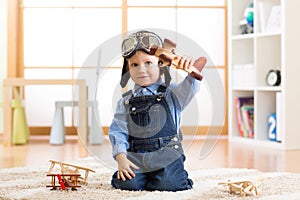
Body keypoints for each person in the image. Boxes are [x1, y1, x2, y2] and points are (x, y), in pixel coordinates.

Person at [108, 30, 206, 191]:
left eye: (148, 63)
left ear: (161, 65)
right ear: (127, 69)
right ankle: (147, 177)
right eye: (134, 64)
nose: (141, 69)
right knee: (126, 183)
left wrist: (191, 72)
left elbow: (190, 89)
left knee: (169, 184)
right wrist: (121, 157)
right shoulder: (125, 101)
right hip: (137, 155)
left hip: (167, 154)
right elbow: (118, 130)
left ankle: (166, 177)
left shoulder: (172, 93)